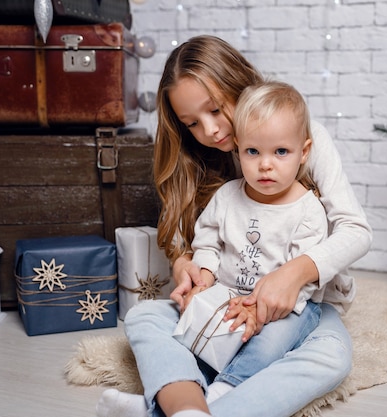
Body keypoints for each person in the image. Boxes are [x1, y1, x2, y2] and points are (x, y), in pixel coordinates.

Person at [96, 35, 372, 417]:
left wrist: (293, 275)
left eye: (215, 109)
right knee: (144, 317)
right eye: (192, 123)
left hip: (297, 306)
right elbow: (182, 239)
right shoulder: (203, 169)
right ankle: (188, 406)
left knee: (332, 357)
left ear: (237, 83)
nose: (209, 130)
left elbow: (356, 231)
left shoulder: (298, 138)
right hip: (224, 298)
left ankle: (173, 410)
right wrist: (186, 266)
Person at [188, 80, 327, 399]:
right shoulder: (227, 197)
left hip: (289, 307)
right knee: (195, 334)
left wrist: (260, 312)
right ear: (238, 147)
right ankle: (187, 389)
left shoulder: (307, 211)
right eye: (253, 151)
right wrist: (205, 276)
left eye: (281, 151)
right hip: (227, 294)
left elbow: (303, 280)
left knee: (271, 341)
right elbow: (207, 241)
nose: (266, 164)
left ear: (303, 152)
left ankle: (226, 389)